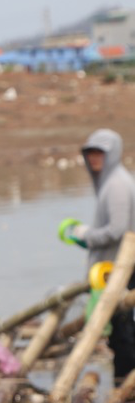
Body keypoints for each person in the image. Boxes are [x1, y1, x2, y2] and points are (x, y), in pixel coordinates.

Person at [61, 128, 135, 386]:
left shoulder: (116, 184)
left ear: (112, 154)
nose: (94, 159)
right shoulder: (110, 182)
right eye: (90, 154)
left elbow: (118, 230)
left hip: (122, 269)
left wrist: (87, 234)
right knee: (120, 330)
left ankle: (124, 382)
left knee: (124, 330)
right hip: (114, 266)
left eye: (99, 153)